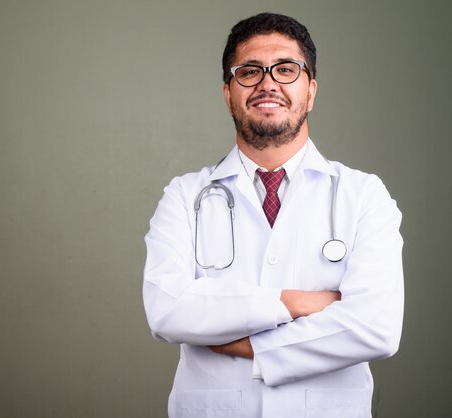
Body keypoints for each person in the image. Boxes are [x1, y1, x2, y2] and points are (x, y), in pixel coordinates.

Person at [142, 12, 403, 418]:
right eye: (249, 72)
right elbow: (168, 310)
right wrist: (297, 302)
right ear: (228, 93)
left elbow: (376, 328)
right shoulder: (184, 196)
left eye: (286, 69)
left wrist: (251, 346)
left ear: (311, 91)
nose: (268, 83)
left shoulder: (362, 194)